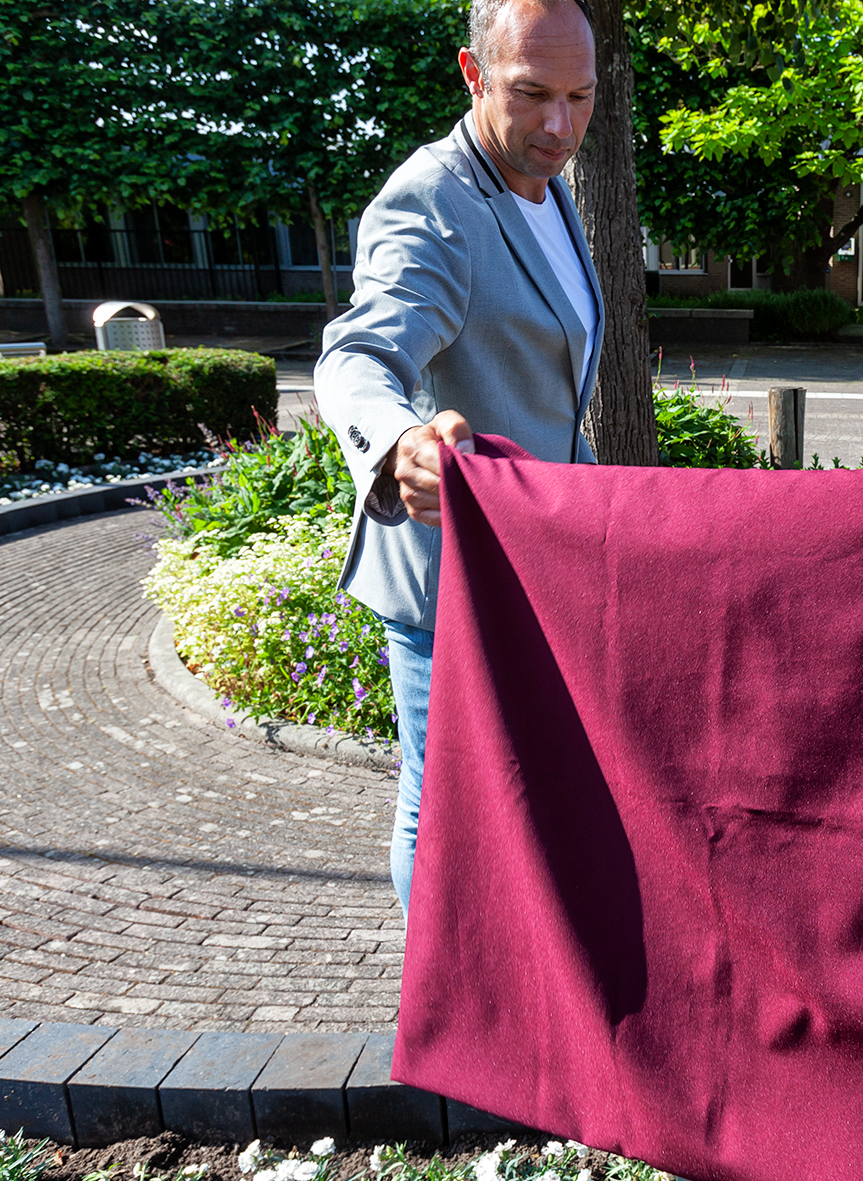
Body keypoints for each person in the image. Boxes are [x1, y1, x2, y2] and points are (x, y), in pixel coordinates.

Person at [314, 0, 604, 914]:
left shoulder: (549, 186)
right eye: (533, 94)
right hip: (451, 572)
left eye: (580, 97)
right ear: (473, 76)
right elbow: (359, 354)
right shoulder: (433, 196)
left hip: (543, 557)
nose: (561, 126)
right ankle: (443, 1028)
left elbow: (544, 378)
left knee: (534, 796)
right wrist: (398, 439)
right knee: (438, 808)